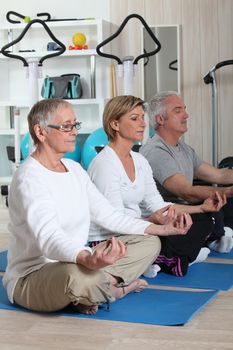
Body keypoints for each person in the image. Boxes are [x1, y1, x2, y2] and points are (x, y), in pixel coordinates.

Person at [3, 98, 192, 315]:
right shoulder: (29, 178)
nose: (74, 131)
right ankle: (114, 288)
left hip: (77, 261)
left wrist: (162, 229)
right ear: (41, 132)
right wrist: (88, 259)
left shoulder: (74, 169)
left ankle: (97, 290)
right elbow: (49, 239)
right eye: (66, 126)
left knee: (149, 243)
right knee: (78, 276)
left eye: (75, 125)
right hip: (34, 275)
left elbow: (108, 215)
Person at [88, 95, 225, 277]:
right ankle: (170, 259)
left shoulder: (139, 160)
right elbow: (114, 222)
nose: (143, 124)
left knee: (204, 220)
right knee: (155, 240)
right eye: (134, 118)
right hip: (110, 238)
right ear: (115, 124)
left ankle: (163, 260)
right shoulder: (105, 164)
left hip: (137, 229)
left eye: (142, 117)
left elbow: (158, 205)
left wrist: (201, 208)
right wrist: (154, 223)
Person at [140, 90, 233, 253]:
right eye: (178, 111)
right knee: (208, 216)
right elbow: (186, 192)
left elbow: (219, 175)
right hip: (168, 215)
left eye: (184, 109)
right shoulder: (156, 151)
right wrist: (228, 192)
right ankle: (211, 238)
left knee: (223, 205)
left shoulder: (183, 148)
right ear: (160, 119)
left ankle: (214, 235)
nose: (186, 115)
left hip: (186, 209)